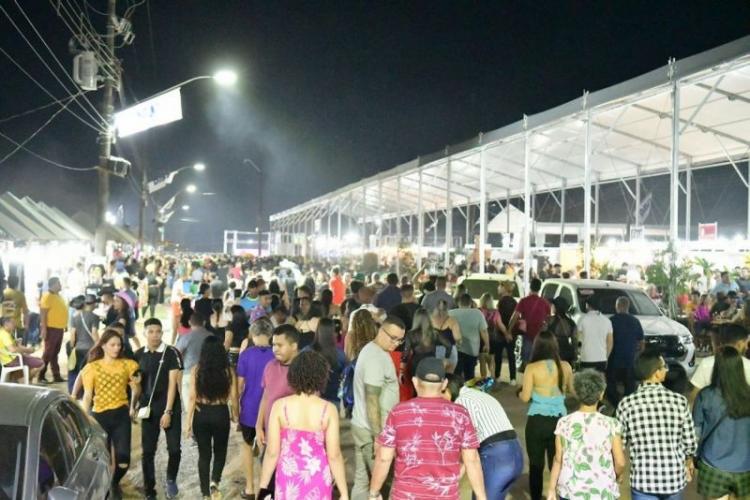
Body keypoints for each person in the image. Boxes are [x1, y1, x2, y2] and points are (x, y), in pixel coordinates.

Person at [369, 357, 487, 500]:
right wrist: (482, 497)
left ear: (415, 382)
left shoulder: (398, 413)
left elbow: (384, 458)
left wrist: (374, 492)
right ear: (444, 384)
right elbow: (472, 460)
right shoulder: (460, 414)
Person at [258, 351, 349, 499]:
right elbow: (334, 455)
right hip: (318, 477)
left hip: (288, 478)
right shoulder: (328, 409)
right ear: (322, 376)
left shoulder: (280, 406)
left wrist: (263, 488)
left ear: (293, 375)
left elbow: (272, 453)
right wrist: (344, 493)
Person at [616, 351, 697, 500]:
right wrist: (689, 461)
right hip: (673, 479)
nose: (666, 369)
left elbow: (619, 444)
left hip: (643, 481)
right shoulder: (679, 401)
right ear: (656, 373)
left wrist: (618, 473)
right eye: (663, 366)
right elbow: (690, 442)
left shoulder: (626, 404)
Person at [547, 370, 626, 500]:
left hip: (570, 491)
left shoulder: (564, 423)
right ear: (601, 394)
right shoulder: (611, 424)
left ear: (577, 394)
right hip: (602, 492)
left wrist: (551, 488)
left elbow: (558, 459)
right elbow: (620, 462)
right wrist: (617, 475)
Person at [81, 329, 141, 500]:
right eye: (112, 345)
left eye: (119, 345)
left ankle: (114, 482)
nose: (116, 348)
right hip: (99, 416)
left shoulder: (129, 365)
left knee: (124, 460)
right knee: (103, 459)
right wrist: (84, 418)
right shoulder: (91, 368)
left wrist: (135, 392)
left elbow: (136, 391)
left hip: (121, 414)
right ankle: (108, 487)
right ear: (103, 346)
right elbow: (87, 395)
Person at [351, 315, 406, 499]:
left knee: (362, 480)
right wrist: (379, 437)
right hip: (372, 431)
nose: (396, 343)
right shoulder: (375, 357)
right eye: (393, 338)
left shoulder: (373, 350)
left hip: (362, 425)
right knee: (385, 482)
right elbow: (372, 398)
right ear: (381, 330)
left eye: (400, 340)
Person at [445, 374, 523, 500]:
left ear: (447, 389)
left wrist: (456, 476)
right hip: (516, 454)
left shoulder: (461, 401)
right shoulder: (479, 395)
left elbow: (467, 447)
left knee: (481, 496)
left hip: (496, 457)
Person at [518, 330, 574, 500]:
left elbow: (525, 397)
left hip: (537, 421)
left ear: (537, 346)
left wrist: (519, 393)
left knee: (536, 465)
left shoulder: (532, 368)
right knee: (558, 462)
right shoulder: (565, 366)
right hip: (560, 421)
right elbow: (572, 391)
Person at [134, 318, 183, 500]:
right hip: (148, 409)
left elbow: (172, 384)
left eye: (158, 331)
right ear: (144, 333)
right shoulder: (138, 355)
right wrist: (133, 405)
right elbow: (136, 386)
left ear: (162, 333)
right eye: (151, 331)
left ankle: (171, 479)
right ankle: (149, 490)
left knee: (174, 449)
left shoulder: (171, 353)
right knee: (148, 452)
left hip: (170, 406)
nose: (155, 335)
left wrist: (168, 411)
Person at [693, 346, 750, 499]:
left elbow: (696, 432)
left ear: (718, 368)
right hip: (746, 466)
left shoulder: (706, 395)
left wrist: (691, 457)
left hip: (713, 465)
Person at [185, 336, 238, 499]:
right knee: (220, 451)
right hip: (220, 412)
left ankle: (205, 494)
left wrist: (188, 422)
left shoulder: (196, 370)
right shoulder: (228, 371)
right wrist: (235, 415)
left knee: (204, 455)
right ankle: (215, 481)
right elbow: (234, 397)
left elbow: (192, 397)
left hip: (201, 414)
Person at [236, 319, 276, 499]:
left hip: (249, 410)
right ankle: (266, 488)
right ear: (270, 335)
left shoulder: (246, 355)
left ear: (253, 334)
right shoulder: (277, 355)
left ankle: (250, 488)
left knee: (247, 447)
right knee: (271, 450)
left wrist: (236, 408)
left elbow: (239, 386)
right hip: (272, 411)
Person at [689, 324, 750, 403]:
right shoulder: (748, 365)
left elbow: (695, 396)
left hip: (712, 409)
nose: (747, 347)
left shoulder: (706, 363)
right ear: (740, 343)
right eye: (746, 343)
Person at [607, 296, 645, 407]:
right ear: (628, 306)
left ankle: (615, 404)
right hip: (629, 360)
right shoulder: (635, 321)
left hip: (613, 359)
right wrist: (635, 356)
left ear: (617, 306)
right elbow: (642, 344)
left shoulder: (611, 321)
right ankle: (628, 404)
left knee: (610, 383)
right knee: (630, 385)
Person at [402, 307, 454, 385]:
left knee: (417, 387)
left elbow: (405, 354)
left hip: (416, 364)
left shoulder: (410, 334)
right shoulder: (435, 333)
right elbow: (448, 345)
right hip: (432, 363)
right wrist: (445, 357)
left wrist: (402, 369)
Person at [509, 278, 550, 367]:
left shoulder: (524, 301)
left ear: (530, 287)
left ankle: (528, 373)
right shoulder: (545, 303)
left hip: (527, 334)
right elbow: (548, 319)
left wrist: (509, 331)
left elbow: (514, 317)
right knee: (538, 360)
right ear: (539, 288)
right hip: (540, 335)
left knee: (526, 359)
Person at [176, 312, 212, 412]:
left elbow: (176, 354)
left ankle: (190, 421)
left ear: (189, 322)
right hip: (208, 374)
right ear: (204, 322)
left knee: (190, 408)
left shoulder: (186, 337)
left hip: (188, 374)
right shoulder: (211, 337)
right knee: (206, 406)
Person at [449, 293, 490, 381]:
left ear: (458, 303)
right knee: (470, 374)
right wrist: (487, 344)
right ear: (470, 303)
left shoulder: (451, 313)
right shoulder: (477, 313)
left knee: (456, 374)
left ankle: (456, 388)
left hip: (456, 349)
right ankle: (468, 388)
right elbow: (483, 331)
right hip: (472, 350)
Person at [310, 317, 348, 403]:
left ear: (317, 332)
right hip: (334, 400)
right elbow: (345, 377)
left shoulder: (307, 352)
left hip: (312, 400)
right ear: (333, 333)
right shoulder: (340, 355)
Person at [67, 294, 100, 393]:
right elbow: (94, 333)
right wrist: (99, 345)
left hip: (78, 348)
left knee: (77, 371)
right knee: (88, 371)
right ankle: (87, 391)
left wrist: (72, 346)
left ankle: (75, 392)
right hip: (90, 349)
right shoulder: (94, 317)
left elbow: (73, 334)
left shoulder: (75, 316)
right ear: (93, 304)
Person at [39, 277, 68, 383]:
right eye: (59, 283)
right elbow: (43, 314)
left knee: (55, 352)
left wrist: (64, 325)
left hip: (59, 328)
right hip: (51, 328)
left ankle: (56, 375)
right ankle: (41, 374)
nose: (60, 285)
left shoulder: (58, 296)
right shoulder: (47, 296)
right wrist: (44, 329)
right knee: (48, 352)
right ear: (54, 284)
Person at [576, 295, 613, 373]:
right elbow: (610, 342)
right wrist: (606, 357)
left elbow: (578, 340)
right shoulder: (607, 321)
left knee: (586, 379)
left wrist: (578, 353)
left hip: (586, 358)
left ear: (587, 305)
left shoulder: (582, 319)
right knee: (599, 380)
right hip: (601, 359)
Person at [0, 316, 43, 381]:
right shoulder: (4, 335)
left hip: (10, 358)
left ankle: (23, 380)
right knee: (41, 363)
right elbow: (13, 349)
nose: (15, 324)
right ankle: (23, 379)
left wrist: (21, 346)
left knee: (32, 361)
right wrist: (28, 350)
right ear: (6, 324)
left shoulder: (4, 332)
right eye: (13, 322)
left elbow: (14, 346)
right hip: (12, 360)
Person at [495, 281, 518, 384]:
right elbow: (516, 317)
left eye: (500, 286)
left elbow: (498, 319)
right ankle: (513, 378)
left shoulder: (501, 302)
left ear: (505, 288)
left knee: (498, 355)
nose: (498, 288)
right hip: (512, 332)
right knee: (511, 355)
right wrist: (509, 332)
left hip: (500, 332)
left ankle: (497, 376)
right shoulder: (514, 301)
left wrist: (505, 333)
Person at [546, 296, 577, 366]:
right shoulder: (571, 323)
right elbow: (574, 340)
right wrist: (575, 355)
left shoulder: (549, 320)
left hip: (552, 351)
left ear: (556, 307)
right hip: (566, 354)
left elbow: (543, 335)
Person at [478, 292, 501, 379]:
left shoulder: (479, 311)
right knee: (492, 361)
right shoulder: (496, 312)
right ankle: (492, 378)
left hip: (482, 339)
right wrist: (507, 333)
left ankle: (483, 379)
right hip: (493, 339)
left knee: (482, 361)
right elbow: (500, 325)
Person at [2, 275, 28, 343]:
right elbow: (25, 311)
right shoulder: (20, 294)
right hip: (17, 323)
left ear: (8, 282)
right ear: (17, 283)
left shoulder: (3, 293)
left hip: (5, 323)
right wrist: (26, 324)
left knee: (7, 343)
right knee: (20, 343)